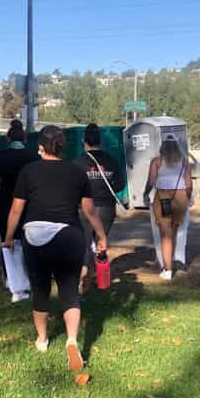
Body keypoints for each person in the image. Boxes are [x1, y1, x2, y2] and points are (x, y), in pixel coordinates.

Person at [4, 126, 108, 371]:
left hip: (35, 235)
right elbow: (90, 211)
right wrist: (101, 235)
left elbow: (16, 209)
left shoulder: (28, 171)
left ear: (40, 146)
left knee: (40, 290)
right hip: (69, 235)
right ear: (64, 148)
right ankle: (72, 340)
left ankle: (42, 339)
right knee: (70, 289)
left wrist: (9, 236)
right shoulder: (77, 172)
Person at [0, 121, 39, 302]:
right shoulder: (32, 157)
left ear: (8, 138)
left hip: (6, 203)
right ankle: (33, 278)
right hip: (28, 205)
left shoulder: (0, 156)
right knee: (29, 241)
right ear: (25, 138)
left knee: (8, 242)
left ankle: (12, 280)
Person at [74, 123, 125, 288]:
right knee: (100, 241)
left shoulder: (78, 162)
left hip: (84, 208)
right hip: (106, 207)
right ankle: (99, 275)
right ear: (100, 141)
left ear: (84, 141)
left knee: (85, 241)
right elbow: (120, 184)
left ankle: (83, 273)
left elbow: (72, 186)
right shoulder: (111, 160)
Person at [143, 133, 192, 281]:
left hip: (163, 196)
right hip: (181, 196)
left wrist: (145, 194)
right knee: (174, 232)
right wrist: (188, 198)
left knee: (165, 234)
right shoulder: (185, 161)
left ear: (162, 147)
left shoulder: (157, 161)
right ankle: (169, 262)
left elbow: (151, 181)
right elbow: (189, 184)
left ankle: (167, 268)